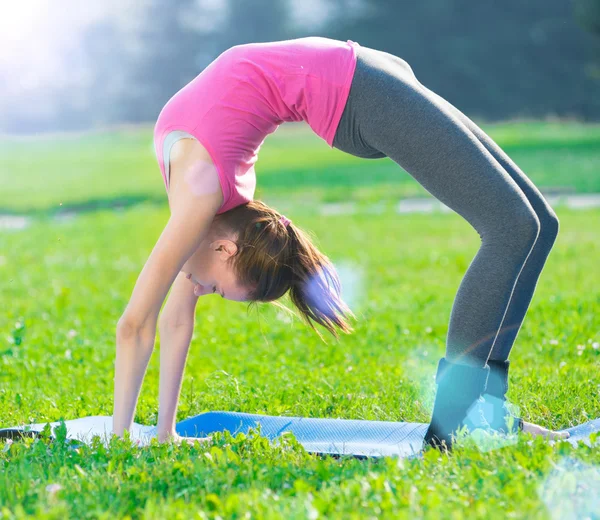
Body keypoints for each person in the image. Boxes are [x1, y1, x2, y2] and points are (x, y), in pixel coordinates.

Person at [112, 36, 569, 450]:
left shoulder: (200, 193)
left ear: (226, 251)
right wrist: (165, 431)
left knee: (525, 227)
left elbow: (135, 324)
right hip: (360, 76)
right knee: (523, 228)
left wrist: (118, 441)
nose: (201, 289)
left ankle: (456, 420)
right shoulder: (206, 213)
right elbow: (173, 322)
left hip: (360, 92)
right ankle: (482, 413)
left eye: (217, 290)